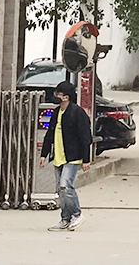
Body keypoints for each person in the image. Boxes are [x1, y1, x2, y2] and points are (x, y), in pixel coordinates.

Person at [39, 80, 93, 231]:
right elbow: (49, 134)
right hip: (59, 156)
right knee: (60, 190)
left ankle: (77, 214)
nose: (56, 96)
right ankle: (65, 218)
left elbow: (85, 137)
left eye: (59, 94)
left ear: (66, 97)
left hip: (72, 156)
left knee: (65, 186)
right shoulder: (57, 112)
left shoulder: (77, 113)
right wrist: (44, 154)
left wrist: (86, 159)